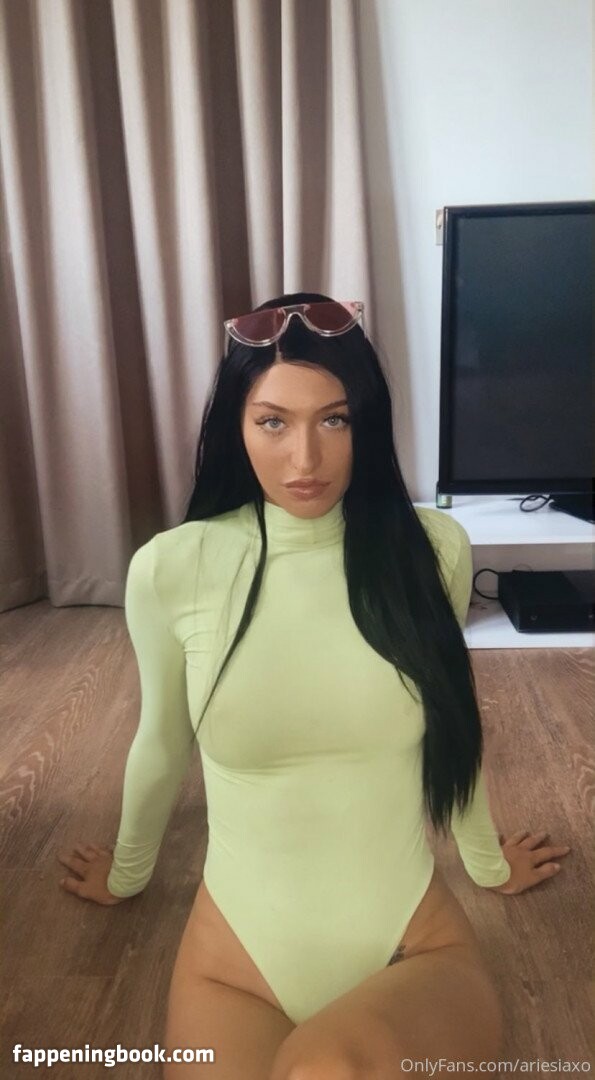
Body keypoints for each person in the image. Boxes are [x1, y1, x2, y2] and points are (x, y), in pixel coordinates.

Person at [57, 293, 571, 1078]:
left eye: (334, 420)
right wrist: (127, 874)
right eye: (273, 422)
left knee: (323, 1070)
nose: (305, 459)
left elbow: (452, 722)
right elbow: (159, 741)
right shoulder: (172, 567)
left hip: (411, 949)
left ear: (367, 424)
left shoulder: (431, 549)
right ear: (235, 426)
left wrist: (488, 867)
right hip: (232, 966)